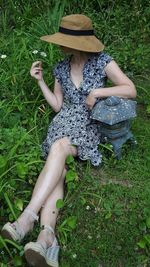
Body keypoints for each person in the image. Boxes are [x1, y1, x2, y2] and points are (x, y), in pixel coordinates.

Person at [1, 14, 136, 267]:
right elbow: (57, 106)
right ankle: (46, 237)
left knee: (60, 147)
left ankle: (27, 217)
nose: (59, 44)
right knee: (59, 167)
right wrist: (40, 81)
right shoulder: (61, 68)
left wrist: (98, 92)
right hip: (62, 123)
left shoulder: (102, 62)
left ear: (79, 43)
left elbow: (130, 89)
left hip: (90, 124)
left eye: (63, 40)